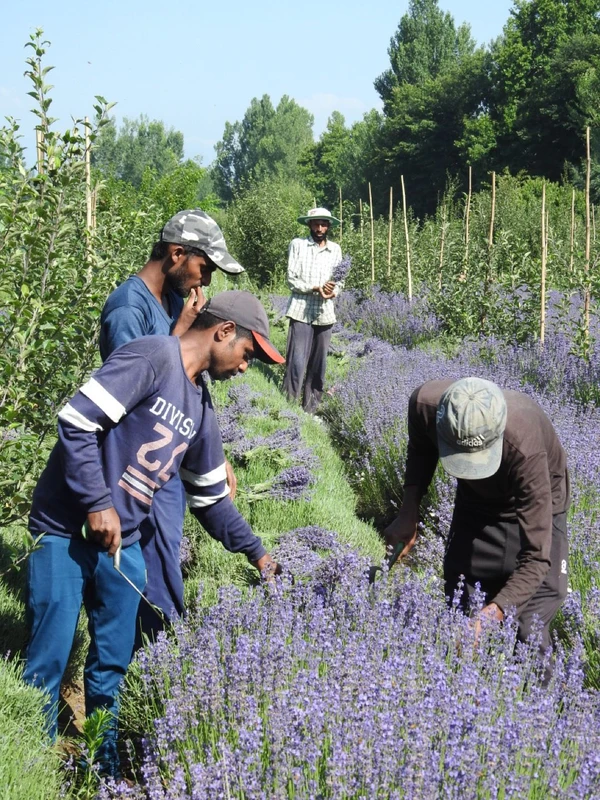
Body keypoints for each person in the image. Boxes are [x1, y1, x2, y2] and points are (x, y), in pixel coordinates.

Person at [23, 290, 285, 776]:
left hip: (122, 545)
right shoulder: (151, 355)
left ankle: (101, 769)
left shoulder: (201, 406)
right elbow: (77, 421)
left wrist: (259, 554)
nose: (247, 367)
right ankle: (35, 769)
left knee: (111, 668)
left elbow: (209, 499)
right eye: (248, 354)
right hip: (64, 528)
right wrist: (98, 503)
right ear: (224, 331)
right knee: (48, 662)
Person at [100, 209, 243, 642]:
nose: (206, 281)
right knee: (152, 566)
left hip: (170, 455)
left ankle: (152, 650)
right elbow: (133, 393)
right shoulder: (129, 308)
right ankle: (151, 657)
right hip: (140, 466)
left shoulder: (174, 302)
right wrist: (178, 333)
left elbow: (193, 379)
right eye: (204, 267)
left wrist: (214, 457)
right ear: (177, 254)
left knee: (164, 556)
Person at [384, 377, 569, 665]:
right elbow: (421, 448)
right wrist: (409, 512)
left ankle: (538, 698)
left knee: (529, 622)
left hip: (539, 497)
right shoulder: (425, 406)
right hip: (476, 502)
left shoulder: (524, 446)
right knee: (463, 596)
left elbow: (536, 558)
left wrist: (493, 613)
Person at [283, 207, 343, 414]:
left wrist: (333, 290)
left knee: (319, 364)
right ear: (309, 224)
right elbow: (291, 279)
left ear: (329, 226)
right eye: (316, 223)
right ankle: (288, 406)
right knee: (297, 361)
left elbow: (340, 280)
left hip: (324, 313)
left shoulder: (335, 249)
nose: (319, 228)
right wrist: (315, 287)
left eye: (324, 224)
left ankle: (310, 409)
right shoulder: (298, 245)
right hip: (301, 310)